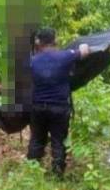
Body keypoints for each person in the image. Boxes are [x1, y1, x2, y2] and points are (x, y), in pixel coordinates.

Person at [26, 27, 90, 177]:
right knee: (58, 140)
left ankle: (32, 171)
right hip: (59, 108)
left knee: (36, 139)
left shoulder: (32, 61)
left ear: (38, 42)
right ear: (55, 40)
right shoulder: (65, 56)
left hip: (38, 107)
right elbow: (85, 51)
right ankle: (57, 172)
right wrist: (81, 46)